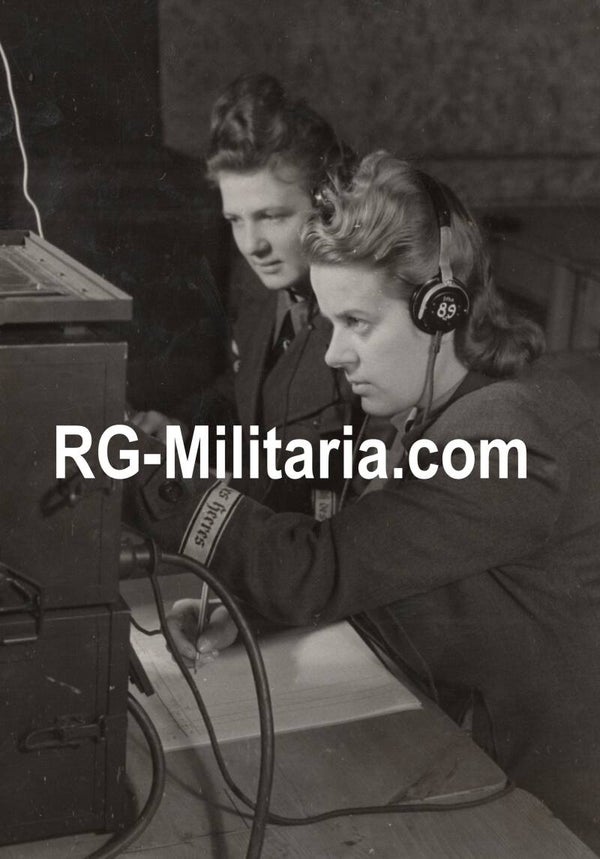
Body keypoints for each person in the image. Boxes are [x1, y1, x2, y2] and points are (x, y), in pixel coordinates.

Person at [125, 152, 600, 851]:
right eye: (329, 321)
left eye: (358, 322)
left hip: (549, 816)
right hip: (465, 758)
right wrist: (250, 610)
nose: (333, 355)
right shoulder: (433, 410)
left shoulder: (511, 434)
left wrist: (152, 478)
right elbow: (388, 559)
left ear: (442, 312)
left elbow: (319, 569)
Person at [134, 73, 366, 518]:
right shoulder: (261, 283)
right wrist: (182, 431)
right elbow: (246, 387)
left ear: (327, 203)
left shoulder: (366, 318)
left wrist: (190, 459)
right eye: (236, 220)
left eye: (272, 216)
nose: (251, 243)